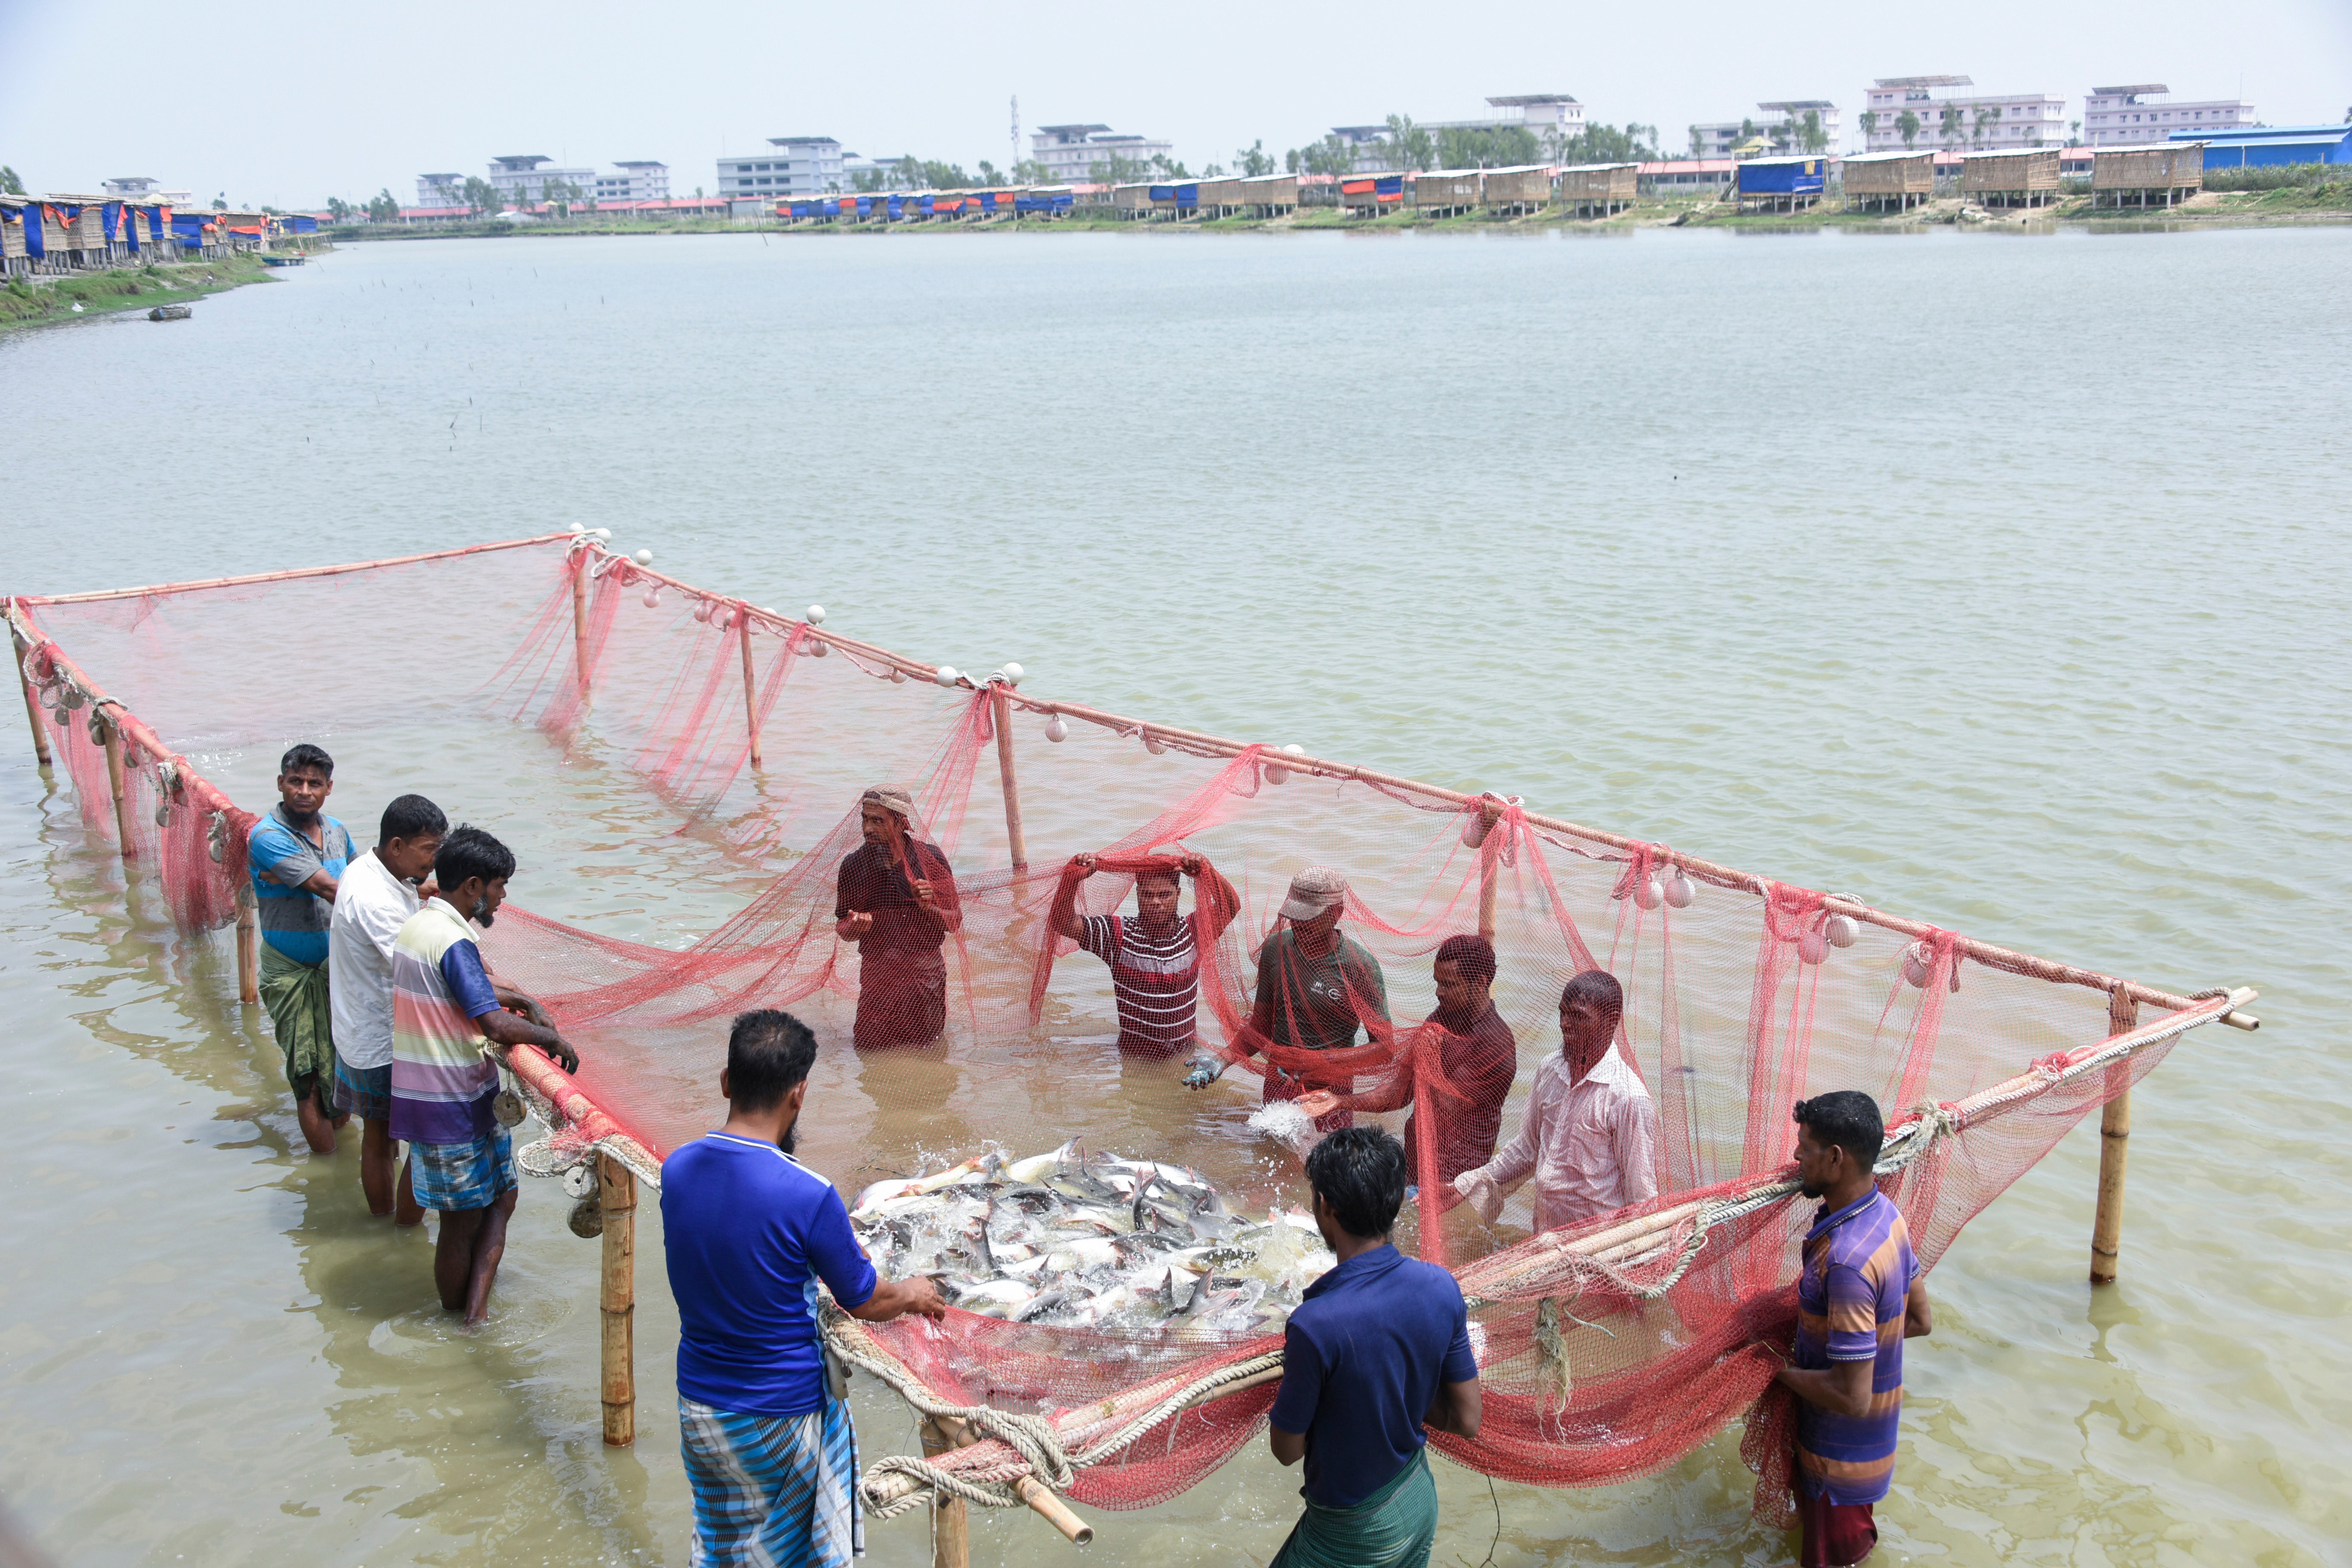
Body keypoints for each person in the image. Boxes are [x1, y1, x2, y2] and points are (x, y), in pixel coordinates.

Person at [663, 1009, 947, 1568]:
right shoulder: (809, 1194)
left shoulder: (678, 1168)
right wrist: (913, 1292)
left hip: (701, 1408)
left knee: (724, 1548)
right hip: (782, 1415)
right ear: (799, 1094)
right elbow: (864, 1298)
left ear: (726, 1082)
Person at [1266, 1126, 1482, 1568]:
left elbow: (1286, 1450)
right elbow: (1467, 1418)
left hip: (1355, 1532)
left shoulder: (1314, 1324)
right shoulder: (1441, 1285)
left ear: (1326, 1206)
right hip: (1417, 1497)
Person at [390, 824, 580, 1323]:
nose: (501, 899)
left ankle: (475, 1313)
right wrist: (553, 1040)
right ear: (473, 886)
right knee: (459, 1221)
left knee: (502, 1196)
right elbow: (494, 1023)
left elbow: (476, 989)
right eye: (498, 887)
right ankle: (461, 1322)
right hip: (448, 1100)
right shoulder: (453, 940)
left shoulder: (421, 924)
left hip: (437, 1093)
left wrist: (523, 998)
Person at [1773, 1092, 1931, 1568]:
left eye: (1805, 1146)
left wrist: (1774, 1369)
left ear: (1836, 1158)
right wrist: (1851, 1348)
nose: (1797, 1156)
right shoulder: (1887, 1217)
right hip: (1872, 1454)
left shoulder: (1846, 1260)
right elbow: (1920, 1320)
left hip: (1835, 1467)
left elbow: (1851, 1396)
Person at [1294, 934, 1517, 1188]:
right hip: (1416, 1169)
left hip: (1456, 1185)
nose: (1438, 993)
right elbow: (1400, 1093)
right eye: (1437, 982)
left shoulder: (1495, 1043)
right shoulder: (1444, 1017)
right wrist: (1338, 1102)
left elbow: (1450, 1111)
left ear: (1479, 983)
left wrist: (1430, 1058)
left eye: (1449, 984)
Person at [1451, 969, 1658, 1234]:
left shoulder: (1628, 1098)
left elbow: (1643, 1199)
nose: (1565, 1024)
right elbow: (1528, 1150)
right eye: (1563, 1013)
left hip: (1596, 1246)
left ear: (1611, 1020)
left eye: (1579, 1016)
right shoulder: (1551, 1070)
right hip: (1546, 1238)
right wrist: (1468, 1184)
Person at [1191, 866, 1389, 1131]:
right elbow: (1260, 1027)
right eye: (1295, 916)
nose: (1299, 924)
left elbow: (1385, 1049)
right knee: (1270, 1157)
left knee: (1327, 1166)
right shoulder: (1276, 949)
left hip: (1330, 1096)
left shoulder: (1360, 966)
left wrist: (1321, 1063)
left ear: (1336, 912)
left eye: (1309, 917)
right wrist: (1223, 1058)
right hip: (1278, 1083)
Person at [329, 793, 443, 1222]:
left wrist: (420, 887)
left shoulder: (367, 869)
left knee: (377, 1135)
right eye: (428, 850)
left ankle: (385, 1222)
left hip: (359, 1025)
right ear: (397, 846)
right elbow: (424, 969)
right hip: (381, 1038)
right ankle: (403, 1228)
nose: (434, 860)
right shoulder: (374, 898)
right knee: (424, 1138)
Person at [248, 743, 356, 1155]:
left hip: (337, 967)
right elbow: (331, 887)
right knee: (308, 1076)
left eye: (314, 783)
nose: (304, 790)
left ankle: (346, 1159)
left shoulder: (338, 832)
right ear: (281, 783)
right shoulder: (268, 837)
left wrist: (413, 888)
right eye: (296, 781)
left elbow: (362, 877)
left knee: (344, 1064)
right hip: (291, 970)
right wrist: (405, 892)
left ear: (329, 788)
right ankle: (329, 1172)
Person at [1049, 851, 1241, 1062]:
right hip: (1135, 1056)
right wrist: (1072, 880)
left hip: (1184, 1054)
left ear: (1178, 894)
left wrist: (1208, 872)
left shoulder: (1193, 931)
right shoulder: (1119, 934)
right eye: (1148, 895)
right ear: (1138, 894)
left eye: (1164, 895)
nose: (1156, 902)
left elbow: (1231, 906)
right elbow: (1062, 923)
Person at [833, 785, 962, 1050]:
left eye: (878, 821)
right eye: (865, 819)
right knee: (870, 1051)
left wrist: (929, 907)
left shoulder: (931, 860)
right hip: (877, 979)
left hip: (924, 978)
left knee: (928, 1050)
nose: (868, 828)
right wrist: (856, 925)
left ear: (902, 823)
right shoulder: (854, 865)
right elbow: (843, 928)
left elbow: (955, 922)